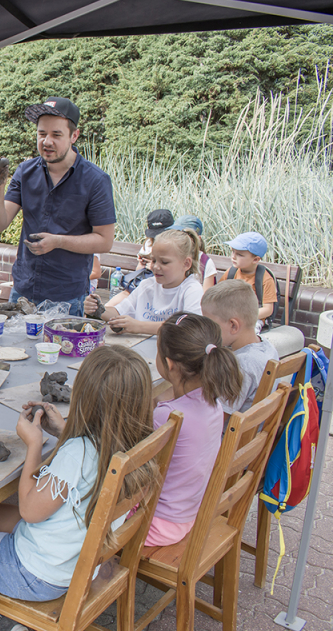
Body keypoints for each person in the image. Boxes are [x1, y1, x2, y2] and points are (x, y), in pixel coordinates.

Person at [0, 345, 161, 631]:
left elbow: (30, 510)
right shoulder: (139, 443)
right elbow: (89, 461)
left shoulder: (78, 452)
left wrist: (34, 444)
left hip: (37, 574)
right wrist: (64, 432)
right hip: (75, 557)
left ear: (84, 398)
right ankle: (2, 609)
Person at [0, 97, 115, 316]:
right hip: (22, 291)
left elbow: (105, 240)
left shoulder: (95, 180)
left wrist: (59, 242)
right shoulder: (25, 172)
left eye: (56, 135)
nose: (47, 142)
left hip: (68, 297)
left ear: (74, 135)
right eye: (41, 133)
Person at [148, 312, 242, 546]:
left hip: (156, 525)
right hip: (189, 515)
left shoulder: (168, 417)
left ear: (168, 363)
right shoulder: (214, 403)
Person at [84, 229, 203, 335]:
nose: (156, 267)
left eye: (164, 262)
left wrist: (139, 326)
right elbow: (119, 313)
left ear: (186, 264)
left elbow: (188, 328)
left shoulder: (192, 289)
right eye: (154, 260)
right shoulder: (147, 285)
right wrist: (97, 310)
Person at [201, 280, 278, 414]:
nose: (206, 330)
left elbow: (216, 418)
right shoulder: (267, 347)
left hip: (230, 433)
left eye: (210, 325)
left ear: (233, 326)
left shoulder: (242, 365)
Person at [223, 231, 276, 332]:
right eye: (232, 251)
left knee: (247, 334)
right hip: (229, 316)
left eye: (239, 254)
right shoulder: (231, 273)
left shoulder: (265, 278)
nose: (233, 256)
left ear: (255, 259)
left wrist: (243, 318)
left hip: (253, 320)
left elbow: (268, 309)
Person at [170, 214, 217, 290]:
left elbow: (207, 297)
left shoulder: (205, 263)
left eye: (184, 235)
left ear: (197, 238)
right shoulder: (171, 256)